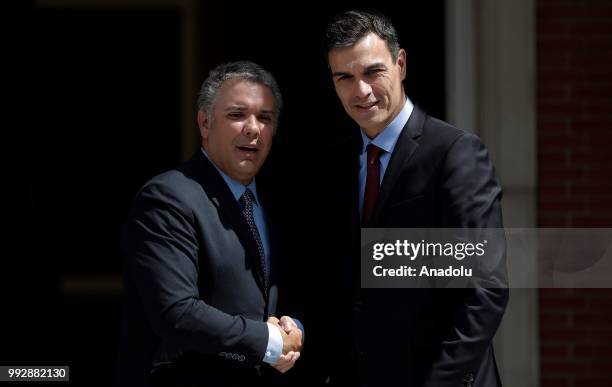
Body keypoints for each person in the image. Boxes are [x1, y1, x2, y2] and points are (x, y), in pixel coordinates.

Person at [299, 10, 508, 387]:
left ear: (401, 63)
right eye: (344, 77)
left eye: (372, 72)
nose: (360, 91)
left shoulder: (455, 154)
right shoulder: (332, 166)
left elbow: (484, 290)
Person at [114, 61, 303, 387]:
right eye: (237, 115)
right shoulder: (167, 198)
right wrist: (267, 342)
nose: (253, 128)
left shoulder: (279, 204)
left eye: (265, 118)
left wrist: (294, 328)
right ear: (204, 123)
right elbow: (177, 312)